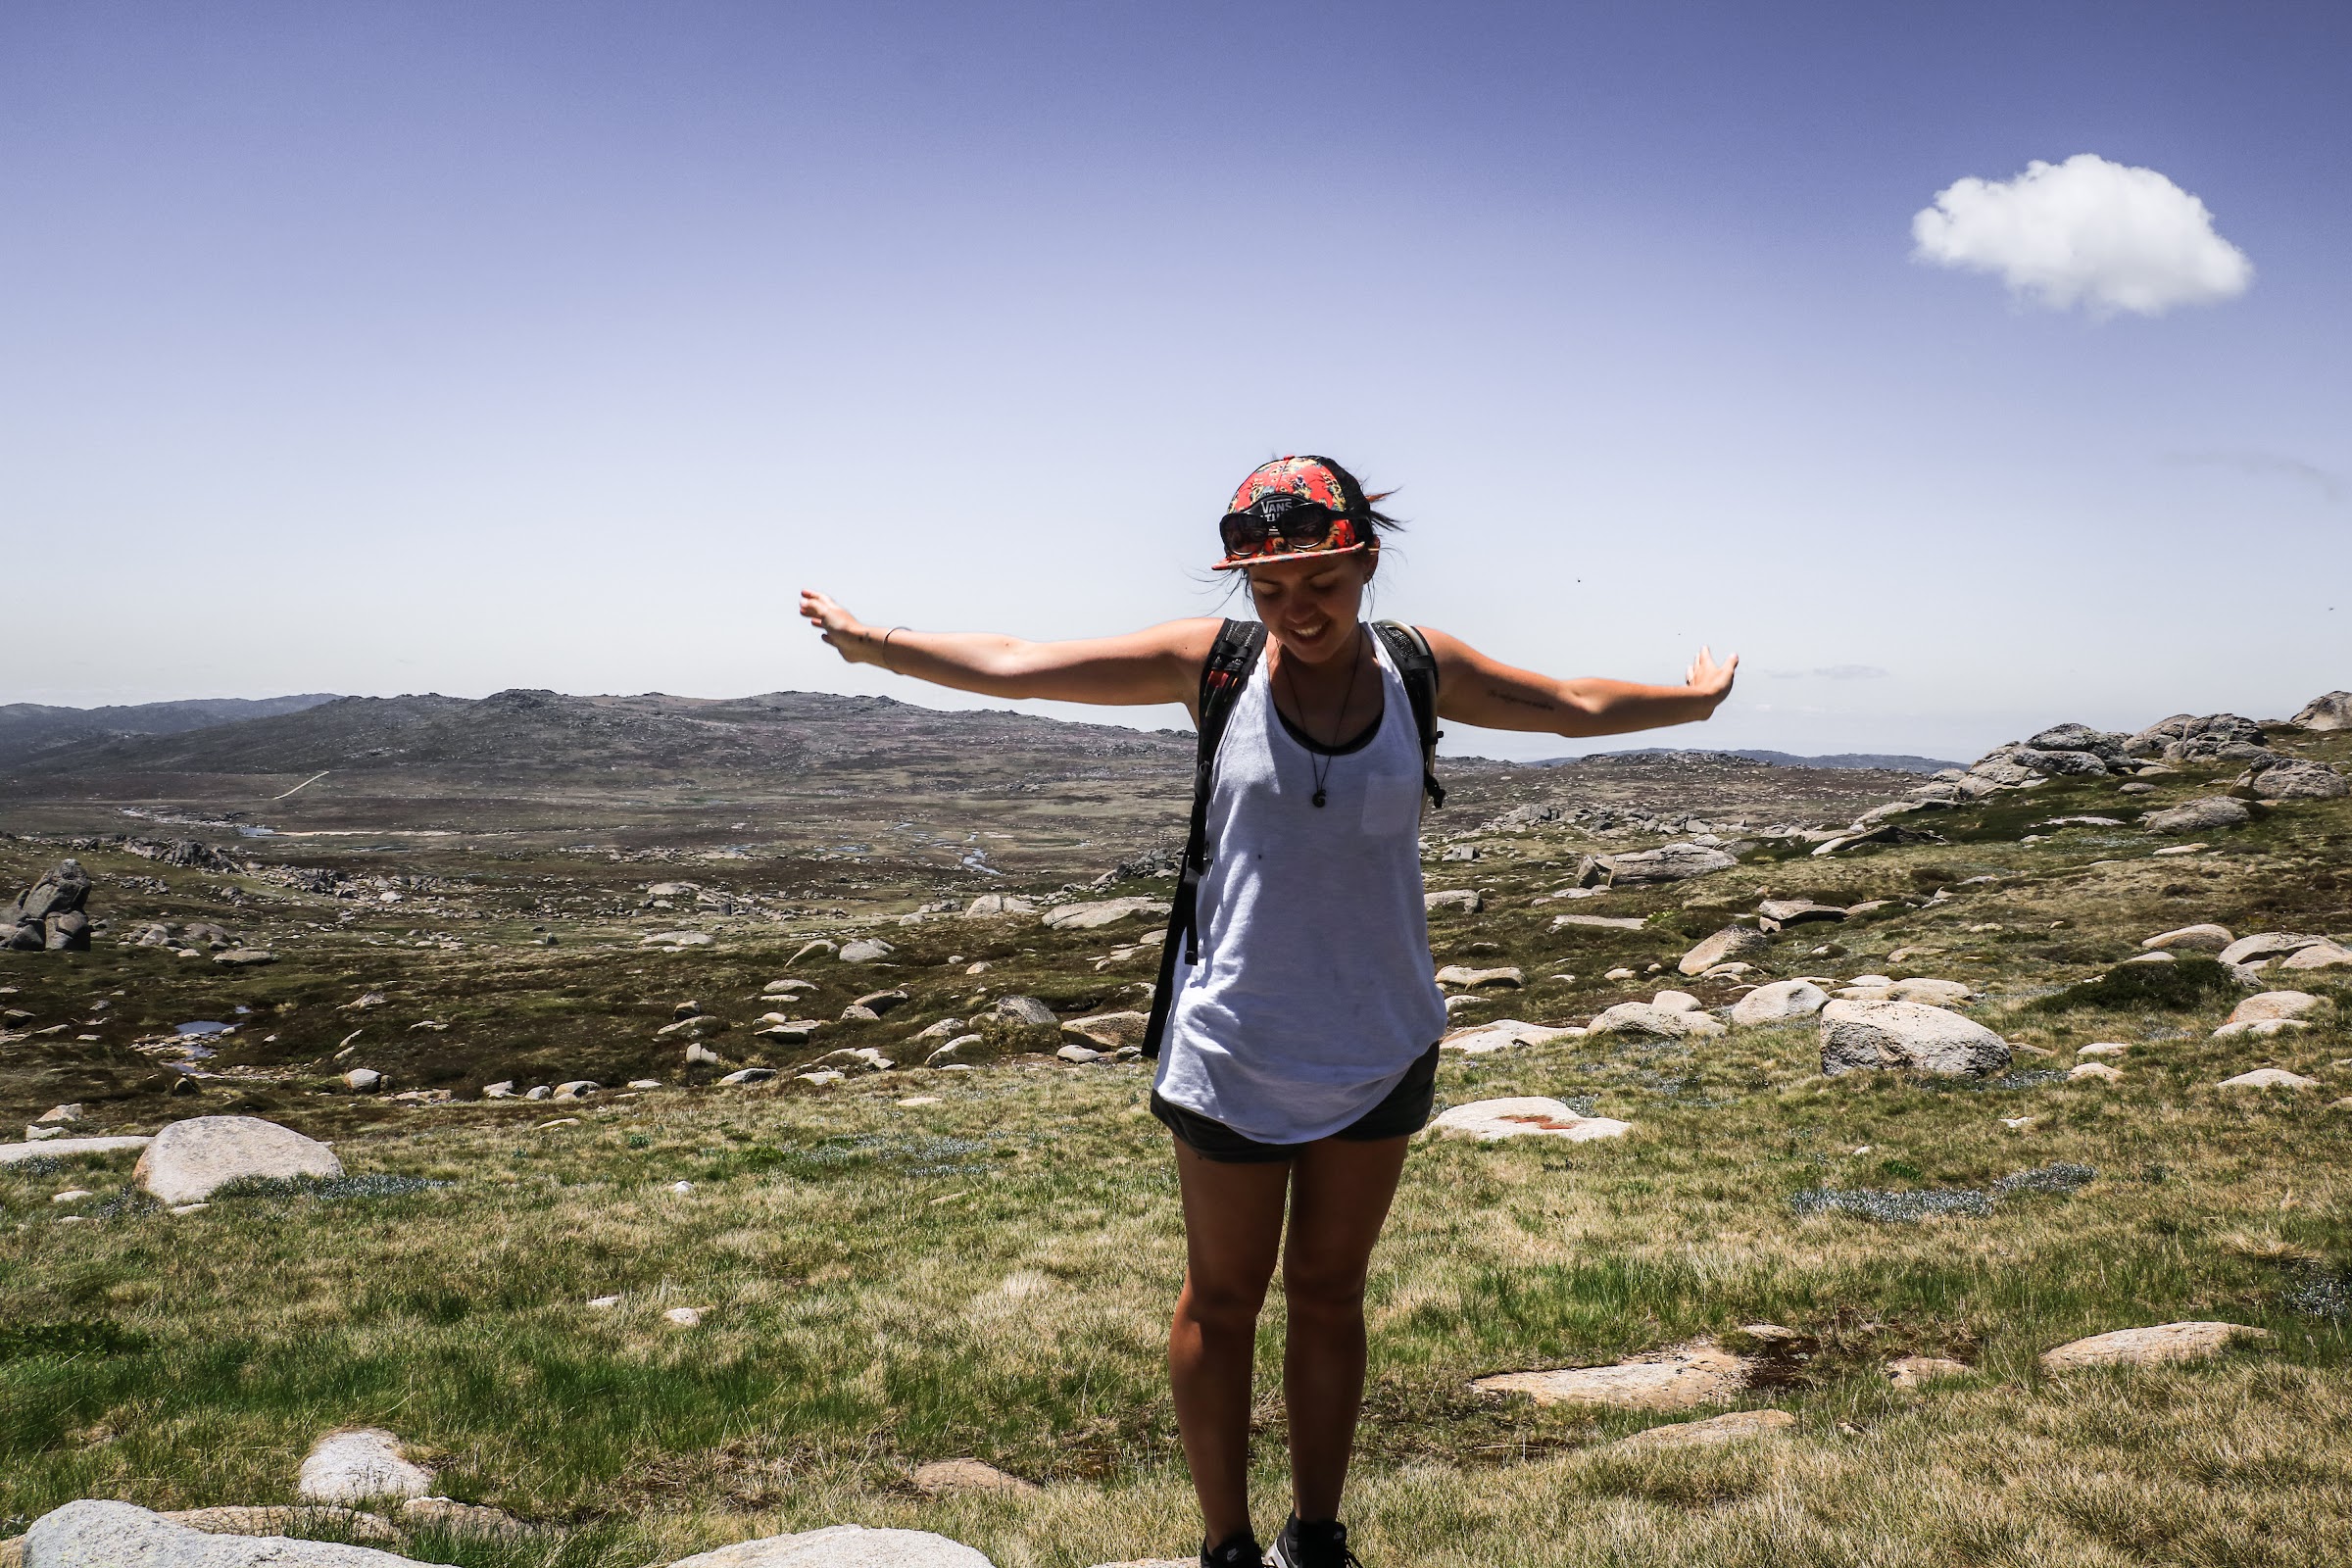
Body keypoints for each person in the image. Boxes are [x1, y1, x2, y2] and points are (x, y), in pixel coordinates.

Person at [798, 455, 1737, 1568]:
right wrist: (876, 644)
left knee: (1331, 1295)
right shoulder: (1215, 664)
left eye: (1321, 582)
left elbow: (1572, 707)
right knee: (1224, 1298)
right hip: (1233, 1045)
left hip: (1380, 1044)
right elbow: (1019, 664)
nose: (1298, 609)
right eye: (1270, 587)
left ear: (1366, 563)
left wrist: (1694, 700)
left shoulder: (1421, 668)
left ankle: (1317, 1538)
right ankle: (1228, 1547)